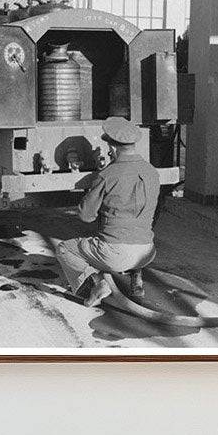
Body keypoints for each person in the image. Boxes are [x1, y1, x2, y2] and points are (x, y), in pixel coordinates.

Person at [55, 117, 160, 307]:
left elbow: (86, 216)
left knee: (64, 249)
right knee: (134, 231)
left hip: (116, 254)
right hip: (147, 251)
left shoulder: (107, 175)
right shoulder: (152, 172)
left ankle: (96, 284)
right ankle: (136, 280)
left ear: (112, 149)